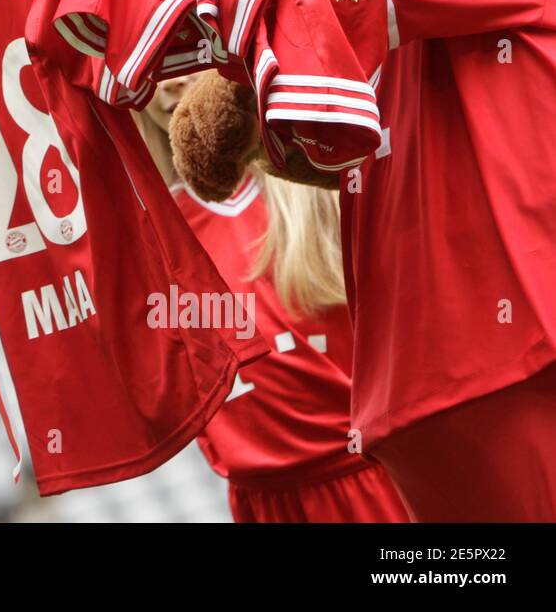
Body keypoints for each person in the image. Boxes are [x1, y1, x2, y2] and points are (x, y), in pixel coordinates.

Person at [135, 72, 408, 523]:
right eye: (153, 63)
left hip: (385, 480)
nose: (173, 82)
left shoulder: (328, 178)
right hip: (264, 503)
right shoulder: (144, 233)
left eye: (190, 51)